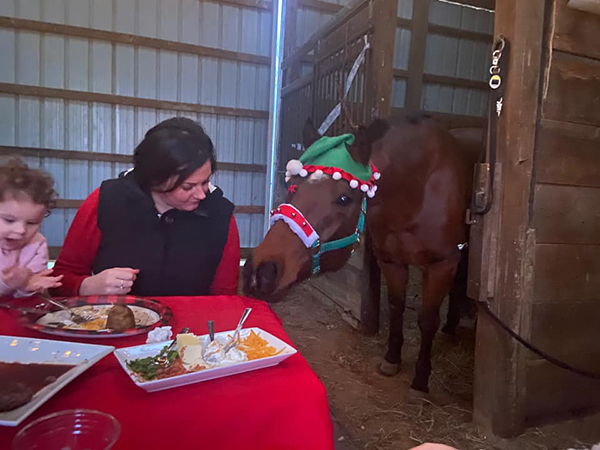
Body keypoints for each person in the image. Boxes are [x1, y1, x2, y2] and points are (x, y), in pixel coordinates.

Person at [52, 117, 240, 297]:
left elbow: (224, 296)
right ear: (155, 179)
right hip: (115, 326)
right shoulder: (107, 201)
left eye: (205, 182)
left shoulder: (219, 213)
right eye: (187, 187)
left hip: (191, 328)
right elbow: (60, 279)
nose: (201, 194)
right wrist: (86, 286)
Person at [0, 159, 63, 297]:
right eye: (9, 220)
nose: (21, 230)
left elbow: (32, 290)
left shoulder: (37, 244)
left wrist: (26, 288)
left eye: (32, 223)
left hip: (16, 312)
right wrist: (7, 284)